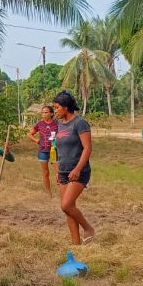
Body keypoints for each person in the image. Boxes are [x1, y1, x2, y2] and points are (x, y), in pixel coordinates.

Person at [53, 90, 95, 245]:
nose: (55, 111)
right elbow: (58, 150)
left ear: (66, 107)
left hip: (79, 171)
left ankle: (88, 228)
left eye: (57, 107)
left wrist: (77, 169)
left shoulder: (80, 123)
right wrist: (57, 171)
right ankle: (76, 244)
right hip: (63, 171)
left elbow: (87, 148)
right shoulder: (59, 125)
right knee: (68, 209)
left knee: (66, 205)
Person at [28, 105, 58, 197]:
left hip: (55, 151)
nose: (44, 114)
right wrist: (36, 140)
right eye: (42, 112)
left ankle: (63, 193)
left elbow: (63, 135)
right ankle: (48, 193)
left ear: (51, 113)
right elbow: (30, 134)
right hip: (43, 151)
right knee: (45, 173)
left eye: (46, 112)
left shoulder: (57, 124)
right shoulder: (39, 124)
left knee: (59, 172)